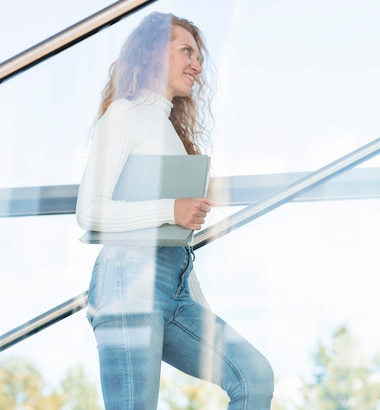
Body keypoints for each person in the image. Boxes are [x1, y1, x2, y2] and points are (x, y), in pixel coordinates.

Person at [76, 12, 274, 410]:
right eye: (186, 51)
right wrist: (171, 207)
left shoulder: (168, 130)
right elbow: (90, 212)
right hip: (127, 280)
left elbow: (176, 242)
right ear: (152, 52)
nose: (197, 65)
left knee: (254, 375)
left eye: (198, 56)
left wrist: (201, 308)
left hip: (175, 285)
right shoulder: (126, 114)